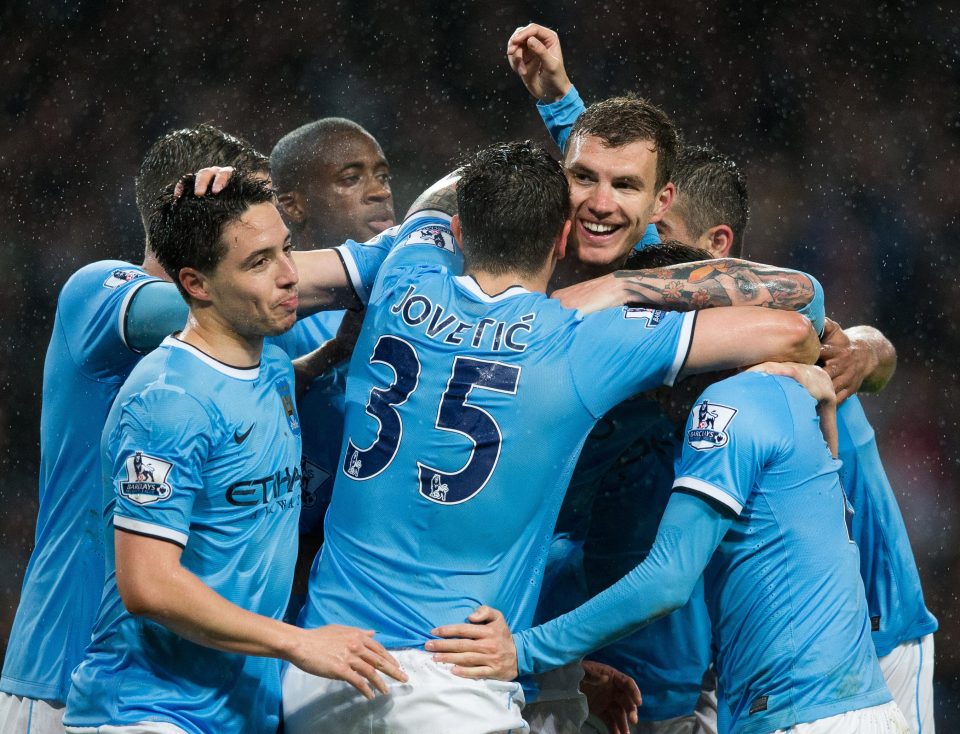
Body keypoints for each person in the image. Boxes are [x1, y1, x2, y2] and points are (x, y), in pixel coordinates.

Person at [281, 140, 820, 733]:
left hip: (322, 672)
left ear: (460, 232)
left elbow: (433, 202)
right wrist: (623, 287)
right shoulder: (582, 345)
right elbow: (795, 322)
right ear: (562, 239)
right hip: (452, 681)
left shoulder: (405, 271)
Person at [62, 172, 406, 734]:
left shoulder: (265, 357)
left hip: (239, 709)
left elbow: (243, 408)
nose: (290, 276)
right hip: (149, 712)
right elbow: (147, 586)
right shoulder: (166, 403)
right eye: (258, 262)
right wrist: (298, 643)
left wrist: (331, 357)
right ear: (196, 284)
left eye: (287, 249)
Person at [0, 124, 272, 734]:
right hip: (63, 678)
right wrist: (380, 265)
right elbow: (209, 304)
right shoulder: (98, 291)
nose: (277, 247)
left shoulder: (246, 357)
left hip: (172, 691)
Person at [268, 118, 396, 614]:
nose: (377, 192)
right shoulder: (271, 315)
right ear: (292, 205)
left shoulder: (408, 303)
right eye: (351, 178)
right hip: (284, 592)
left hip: (370, 594)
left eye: (382, 175)